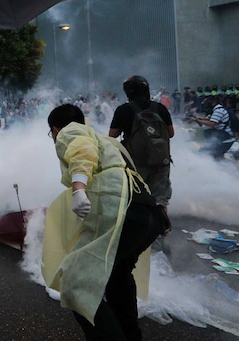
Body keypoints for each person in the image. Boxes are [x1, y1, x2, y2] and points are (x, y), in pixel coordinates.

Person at [42, 104, 166, 341]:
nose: (55, 137)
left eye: (52, 133)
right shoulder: (108, 142)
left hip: (121, 212)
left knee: (75, 284)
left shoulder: (72, 132)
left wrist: (78, 188)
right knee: (118, 278)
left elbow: (81, 152)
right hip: (147, 214)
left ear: (56, 129)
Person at [108, 76, 174, 239]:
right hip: (161, 161)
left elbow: (112, 136)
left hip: (135, 163)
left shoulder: (124, 110)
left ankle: (136, 232)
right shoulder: (160, 108)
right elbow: (170, 133)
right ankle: (160, 230)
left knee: (135, 196)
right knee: (160, 198)